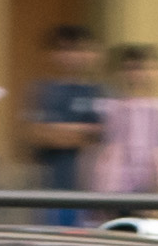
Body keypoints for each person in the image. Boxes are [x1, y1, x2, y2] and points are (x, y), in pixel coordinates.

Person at [89, 45, 158, 208]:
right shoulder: (106, 108)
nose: (139, 75)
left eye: (147, 68)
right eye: (131, 69)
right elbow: (95, 154)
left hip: (152, 192)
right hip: (112, 192)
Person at [28, 25, 105, 223]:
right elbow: (36, 134)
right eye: (65, 49)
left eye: (80, 49)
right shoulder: (44, 90)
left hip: (94, 192)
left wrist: (59, 129)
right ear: (52, 54)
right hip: (52, 190)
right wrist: (85, 132)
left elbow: (107, 136)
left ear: (93, 53)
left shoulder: (102, 92)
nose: (73, 56)